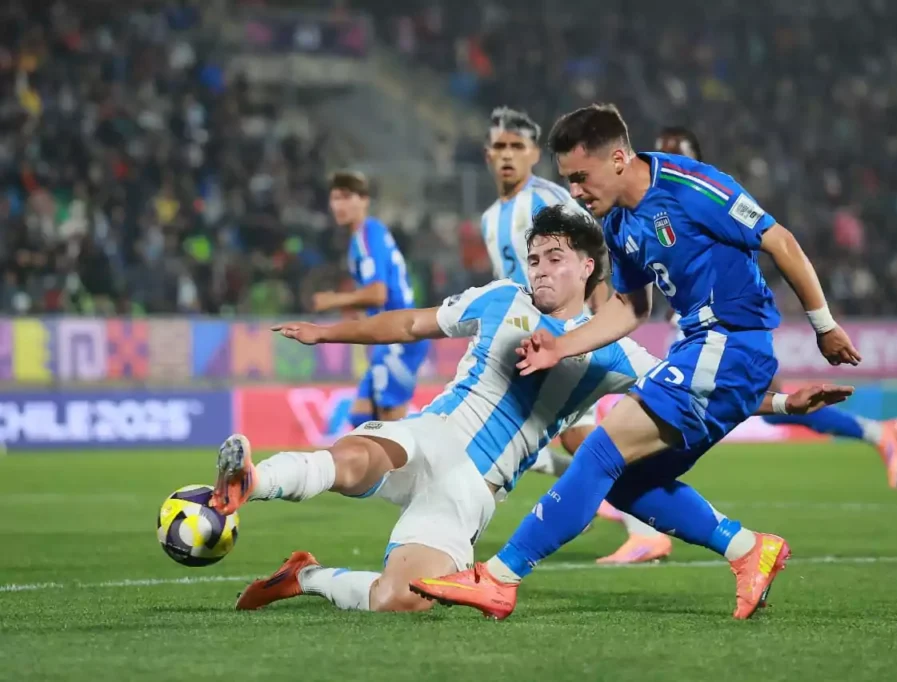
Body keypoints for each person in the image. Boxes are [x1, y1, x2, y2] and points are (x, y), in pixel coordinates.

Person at [209, 204, 851, 615]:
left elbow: (701, 394)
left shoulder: (616, 356)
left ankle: (307, 575)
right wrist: (330, 333)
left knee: (398, 601)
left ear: (588, 268)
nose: (539, 270)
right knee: (356, 456)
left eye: (553, 259)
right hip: (434, 433)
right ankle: (253, 481)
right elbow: (410, 324)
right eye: (533, 258)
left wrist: (785, 402)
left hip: (473, 489)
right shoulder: (499, 297)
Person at [410, 103, 862, 621]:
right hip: (702, 351)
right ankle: (747, 550)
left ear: (620, 159)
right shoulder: (619, 224)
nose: (575, 192)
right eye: (568, 180)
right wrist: (562, 344)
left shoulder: (691, 186)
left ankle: (499, 578)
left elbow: (779, 241)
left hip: (731, 343)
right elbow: (630, 307)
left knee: (600, 451)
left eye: (581, 177)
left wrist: (824, 326)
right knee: (626, 481)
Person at [656, 126, 897, 488]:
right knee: (765, 405)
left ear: (697, 158)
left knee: (708, 409)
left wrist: (821, 323)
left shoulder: (711, 198)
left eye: (677, 153)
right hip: (702, 326)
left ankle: (643, 512)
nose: (668, 161)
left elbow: (765, 244)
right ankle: (878, 432)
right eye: (662, 153)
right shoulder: (658, 210)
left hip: (732, 326)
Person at [481, 105, 671, 564]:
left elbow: (596, 250)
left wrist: (598, 317)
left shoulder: (548, 200)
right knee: (551, 435)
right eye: (500, 147)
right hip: (533, 340)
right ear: (488, 155)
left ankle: (639, 522)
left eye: (518, 147)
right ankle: (596, 502)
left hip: (570, 335)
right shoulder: (492, 217)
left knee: (570, 435)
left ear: (532, 154)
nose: (508, 156)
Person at [310, 171, 429, 426]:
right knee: (361, 417)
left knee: (390, 427)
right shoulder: (364, 237)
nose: (338, 205)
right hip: (387, 334)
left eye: (346, 197)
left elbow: (378, 294)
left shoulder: (367, 235)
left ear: (364, 200)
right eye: (334, 198)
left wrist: (334, 300)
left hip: (400, 335)